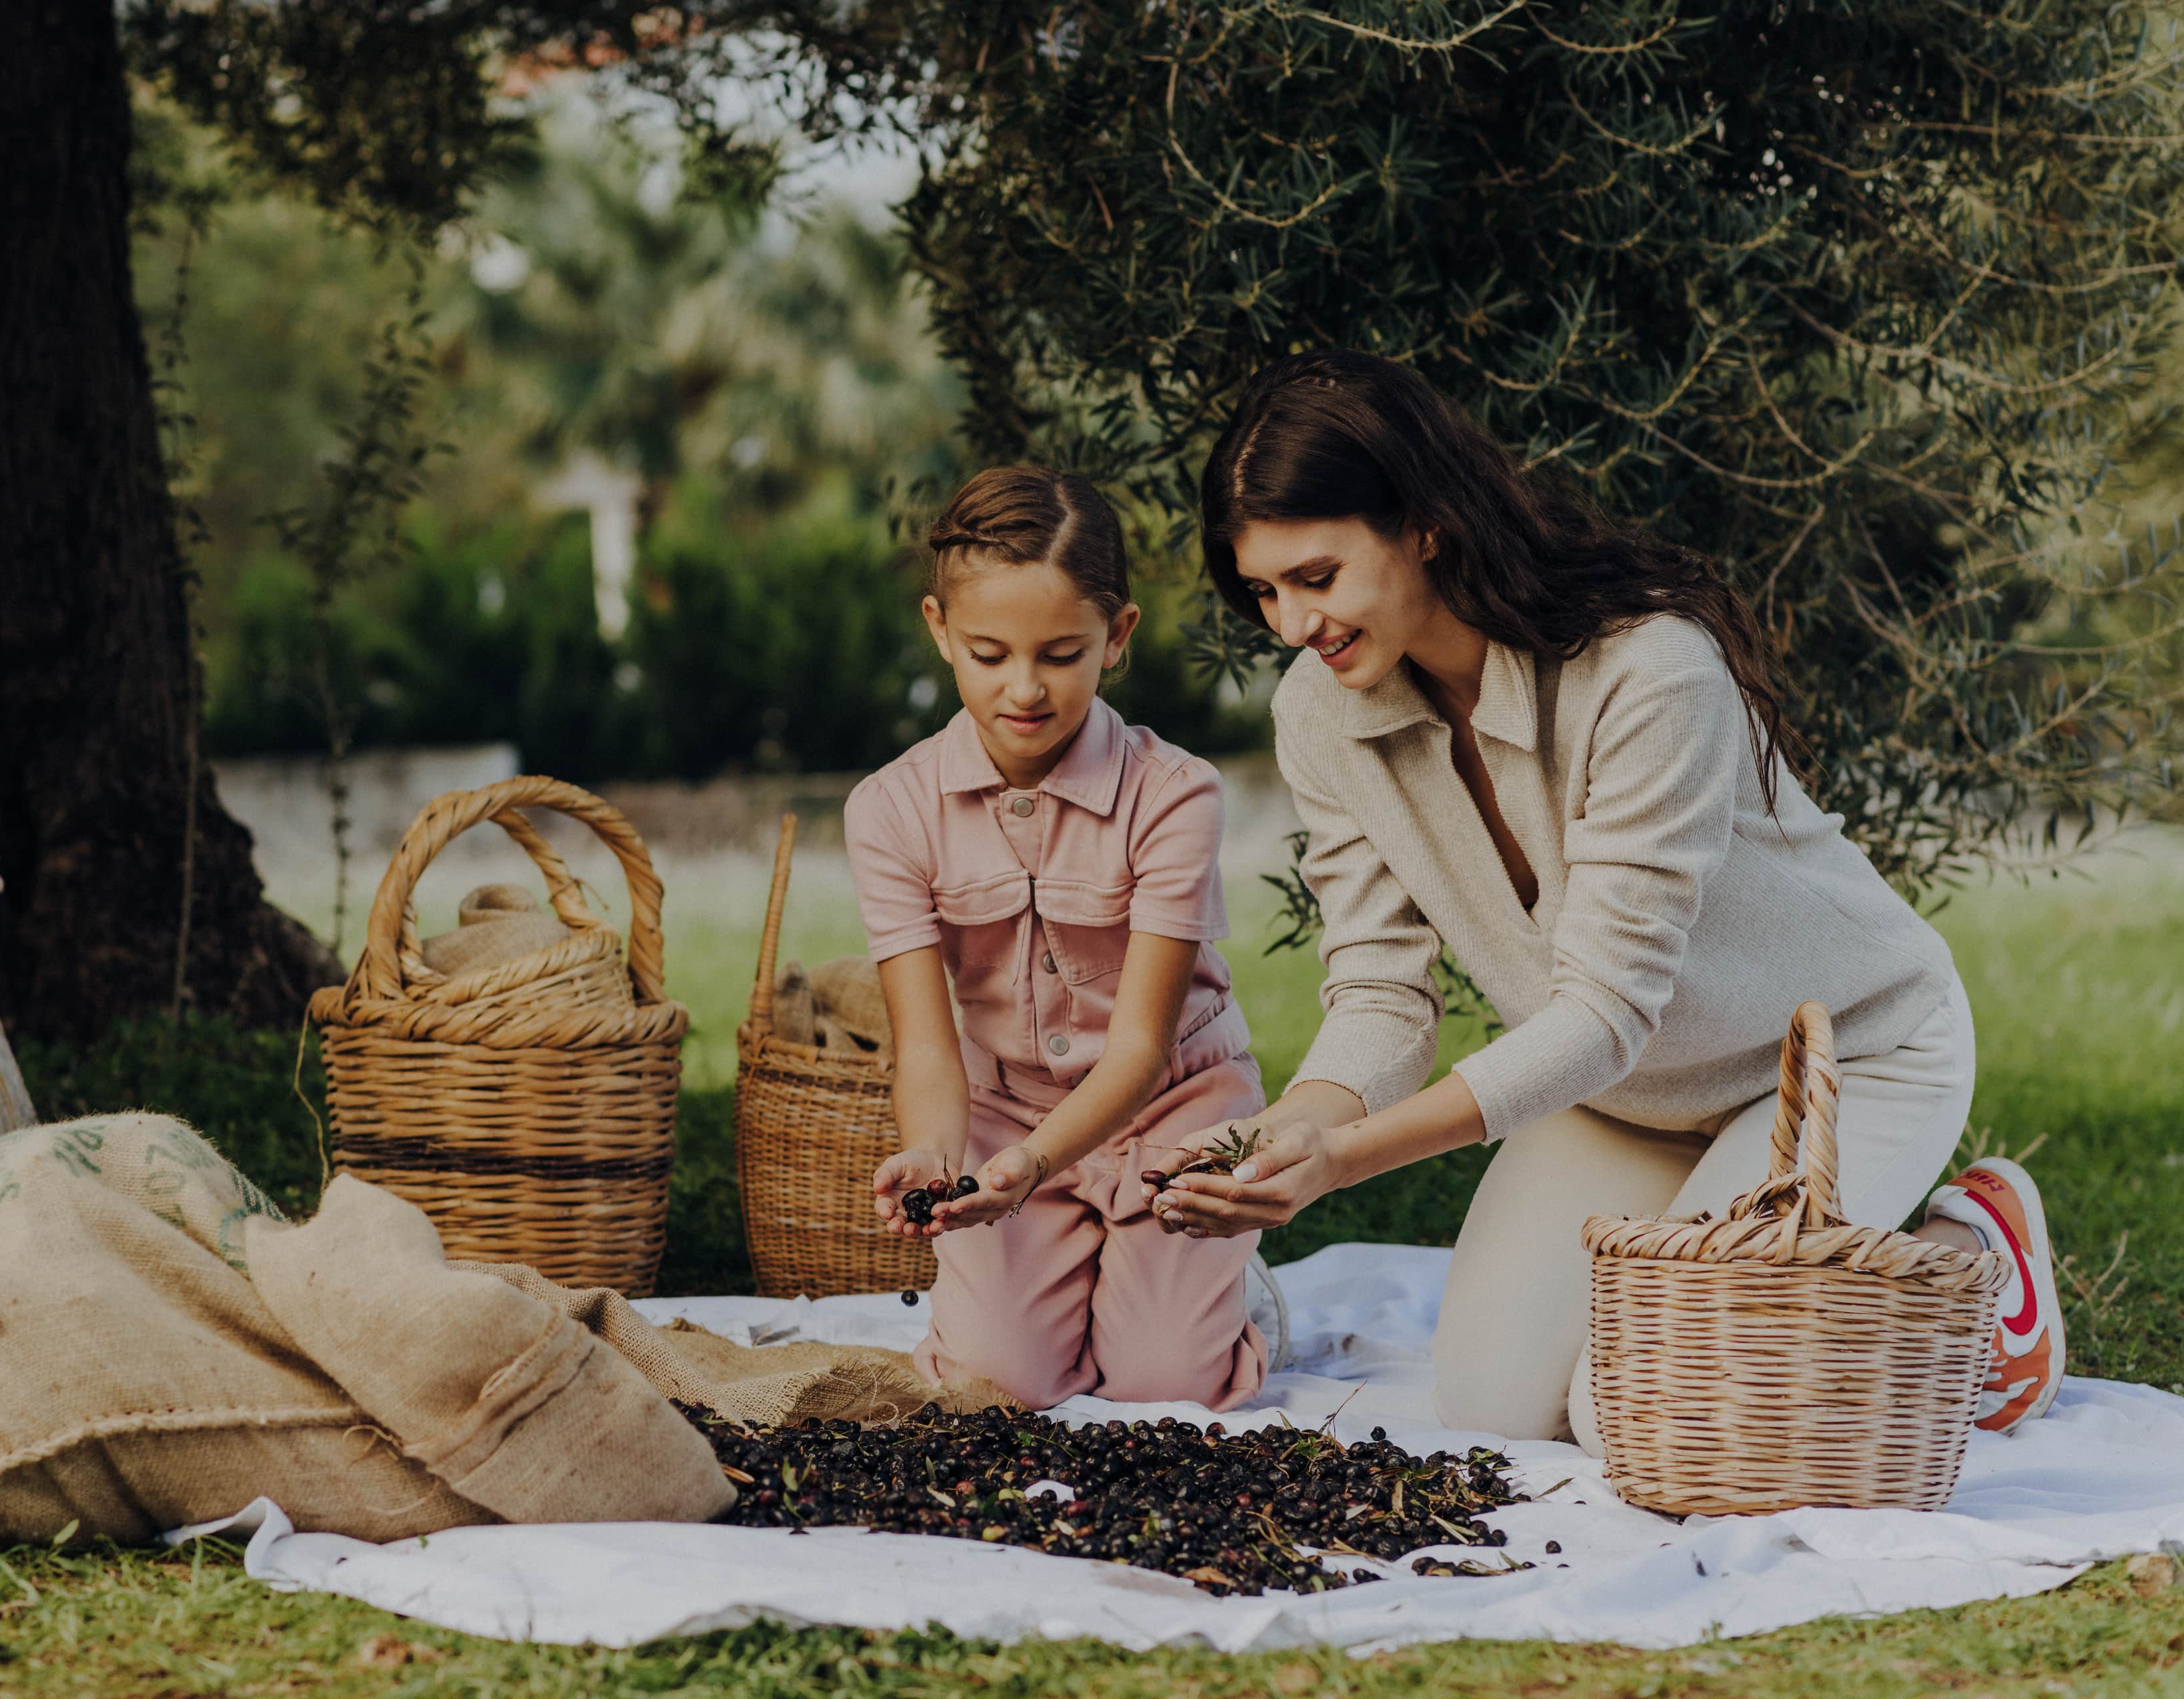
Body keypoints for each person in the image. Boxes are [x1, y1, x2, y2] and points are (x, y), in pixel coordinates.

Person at [1140, 351, 2065, 1447]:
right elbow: (1383, 994)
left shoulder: (1650, 669)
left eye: (1319, 576)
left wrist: (1351, 1161)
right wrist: (1285, 1133)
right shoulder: (1322, 713)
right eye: (1265, 591)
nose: (1293, 623)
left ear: (1424, 525)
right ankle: (1789, 1288)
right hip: (1618, 1095)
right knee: (1494, 1408)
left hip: (1841, 1062)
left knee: (1649, 1415)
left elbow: (1606, 1011)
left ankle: (1974, 1265)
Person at [846, 465, 1269, 1410]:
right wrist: (935, 1152)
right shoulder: (889, 810)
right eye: (990, 654)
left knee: (1164, 1385)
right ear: (939, 630)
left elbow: (1141, 1047)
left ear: (1116, 638)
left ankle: (1234, 1293)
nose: (1024, 689)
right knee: (1000, 1384)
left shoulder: (1175, 795)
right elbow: (925, 1044)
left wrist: (1034, 1169)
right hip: (1004, 1121)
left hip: (1173, 1105)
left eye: (1062, 654)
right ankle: (1078, 1279)